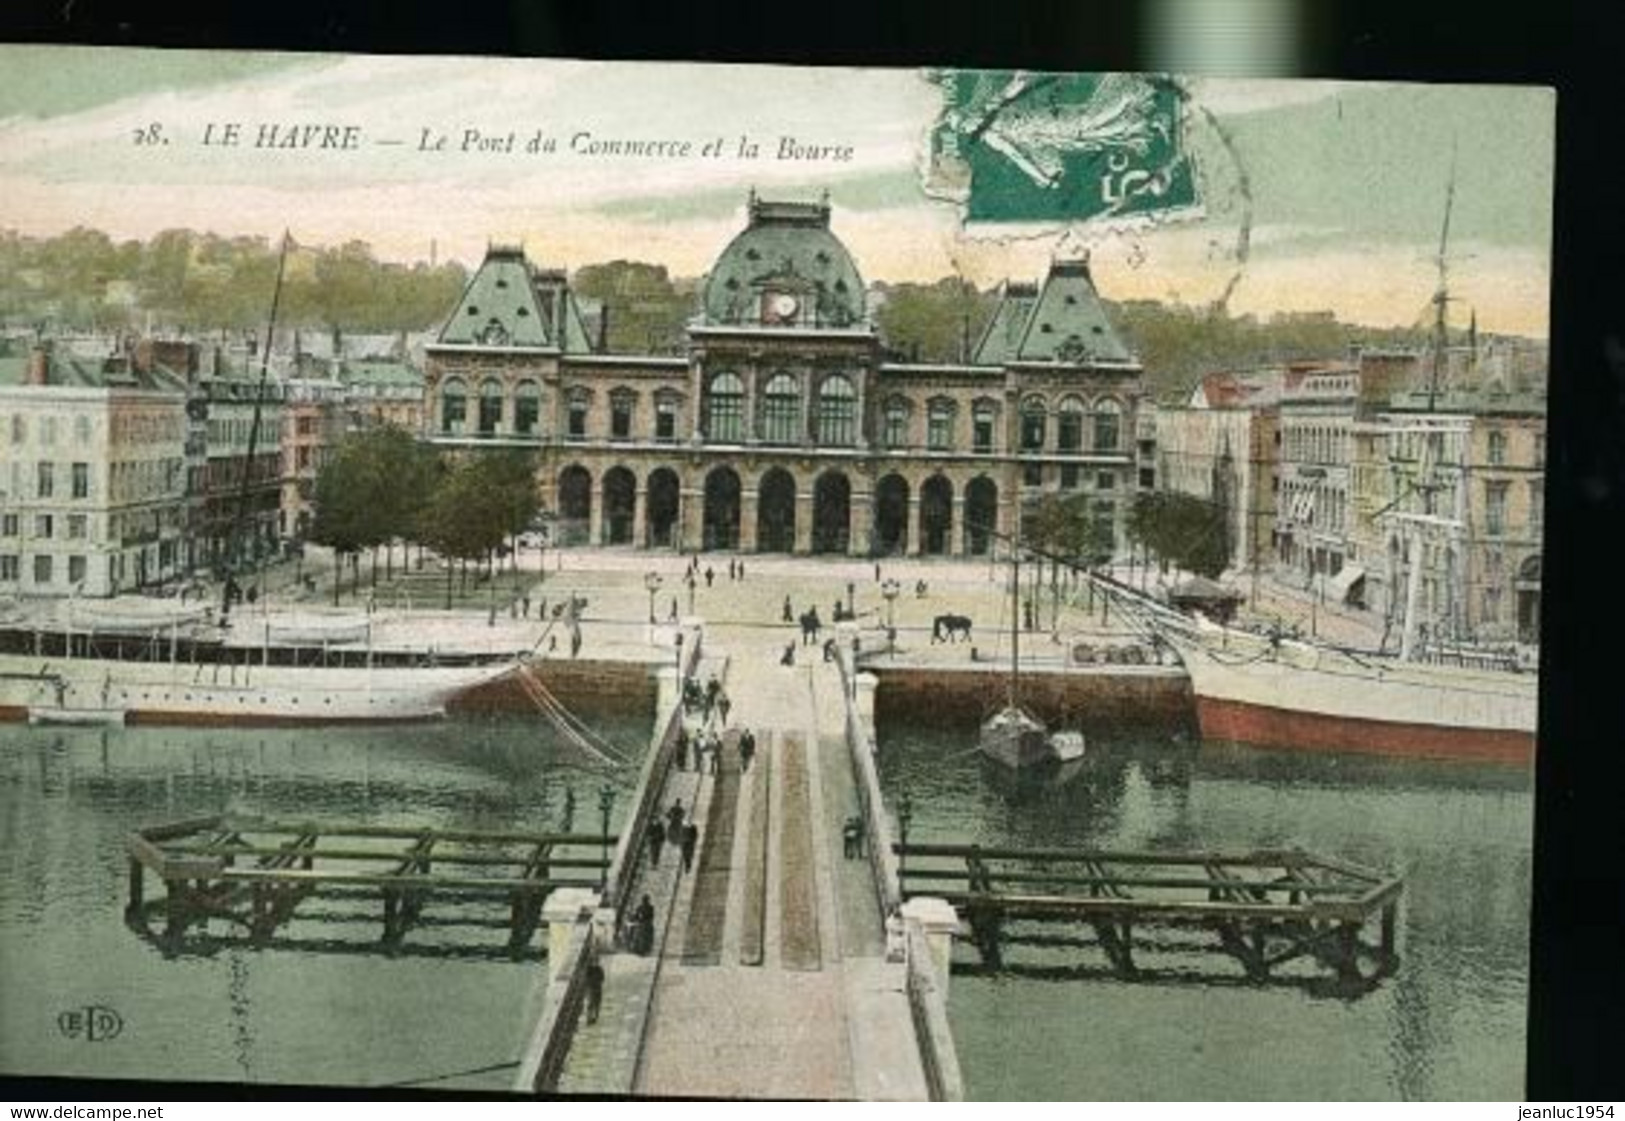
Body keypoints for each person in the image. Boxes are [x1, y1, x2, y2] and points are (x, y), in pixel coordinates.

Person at [584, 950, 605, 1024]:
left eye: (596, 961)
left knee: (597, 1003)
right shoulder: (589, 970)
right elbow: (586, 979)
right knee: (591, 1003)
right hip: (591, 988)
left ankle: (595, 1017)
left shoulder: (599, 969)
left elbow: (602, 978)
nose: (595, 963)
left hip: (597, 988)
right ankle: (589, 1018)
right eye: (594, 961)